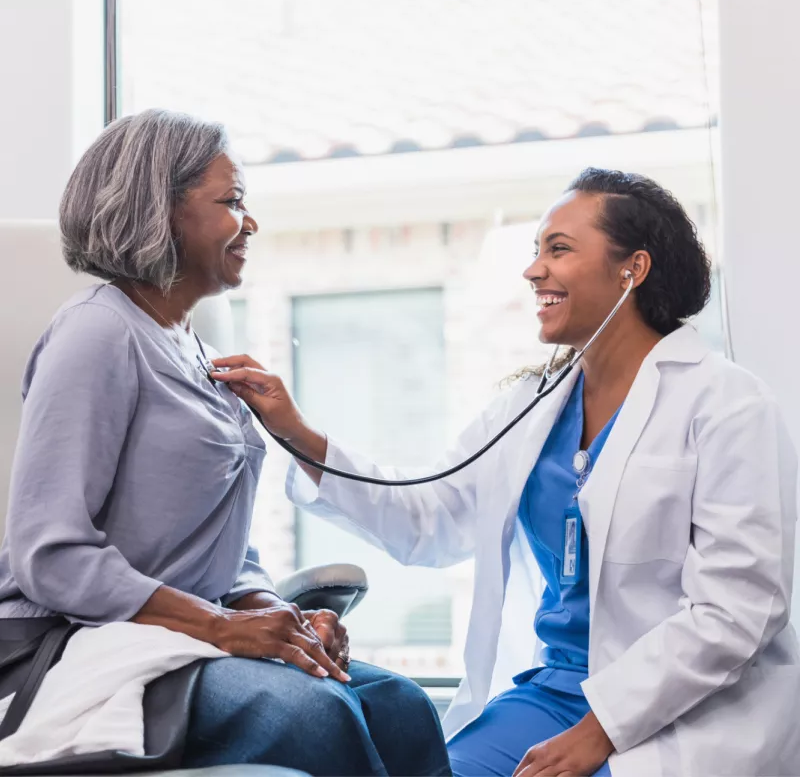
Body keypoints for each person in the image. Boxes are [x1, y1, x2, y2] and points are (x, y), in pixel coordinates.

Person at [211, 168, 800, 777]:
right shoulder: (532, 408)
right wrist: (295, 431)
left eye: (559, 249)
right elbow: (429, 518)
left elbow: (738, 611)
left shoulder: (728, 405)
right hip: (556, 692)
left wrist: (601, 733)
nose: (533, 270)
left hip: (693, 709)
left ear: (633, 269)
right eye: (537, 250)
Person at [0, 109, 450, 776]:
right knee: (309, 716)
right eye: (232, 201)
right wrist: (222, 628)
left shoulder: (200, 355)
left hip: (178, 637)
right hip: (74, 641)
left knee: (403, 706)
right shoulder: (97, 335)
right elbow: (51, 553)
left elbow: (225, 553)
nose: (251, 223)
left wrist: (279, 616)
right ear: (163, 212)